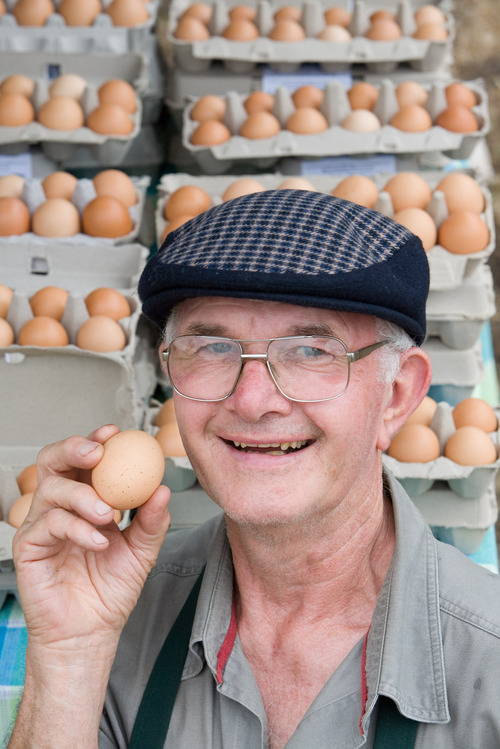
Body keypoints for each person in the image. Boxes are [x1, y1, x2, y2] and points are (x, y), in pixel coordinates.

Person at [7, 189, 500, 749]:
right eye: (214, 348)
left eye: (312, 351)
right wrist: (71, 656)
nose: (253, 399)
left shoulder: (488, 662)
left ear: (397, 395)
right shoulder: (119, 611)